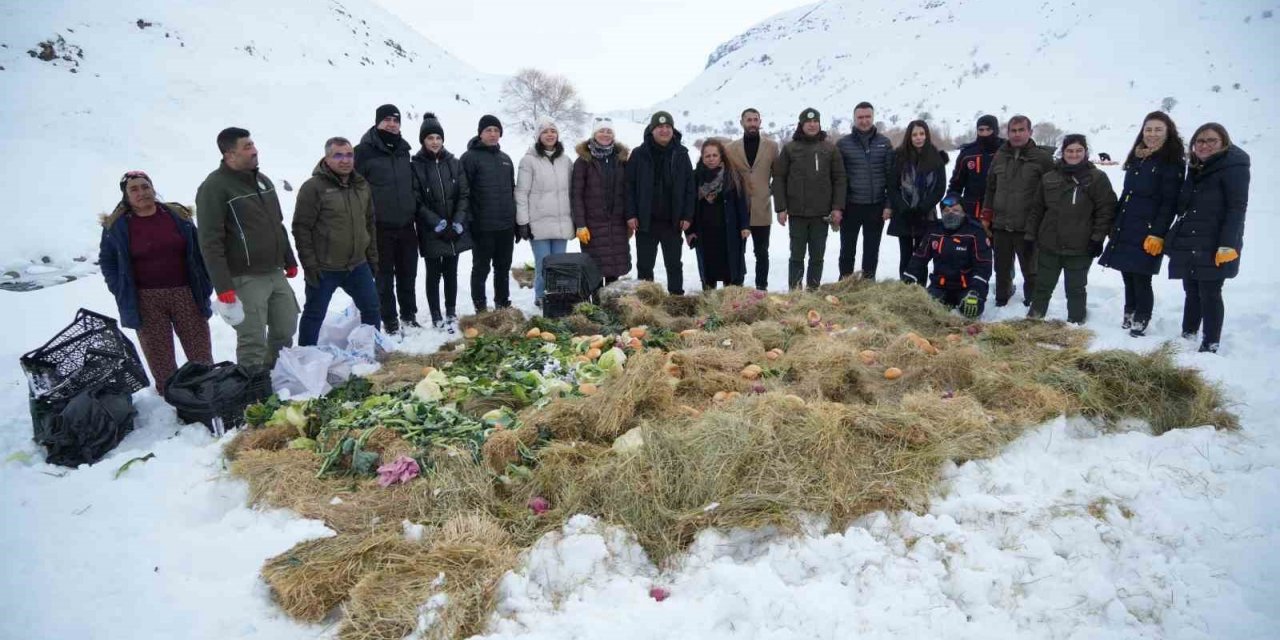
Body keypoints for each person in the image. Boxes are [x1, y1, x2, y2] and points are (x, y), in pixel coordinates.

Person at [100, 171, 213, 393]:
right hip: (144, 299)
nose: (141, 192)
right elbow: (108, 261)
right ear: (126, 195)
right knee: (160, 359)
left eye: (145, 187)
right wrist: (119, 288)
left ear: (153, 189)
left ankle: (207, 391)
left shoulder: (177, 216)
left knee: (200, 354)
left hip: (186, 293)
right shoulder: (117, 226)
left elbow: (199, 251)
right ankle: (173, 399)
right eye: (134, 189)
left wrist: (205, 281)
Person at [196, 127, 299, 369]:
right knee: (252, 339)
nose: (254, 151)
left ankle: (275, 374)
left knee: (286, 327)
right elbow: (210, 241)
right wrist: (223, 286)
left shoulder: (261, 180)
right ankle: (253, 391)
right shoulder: (214, 187)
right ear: (230, 154)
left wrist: (289, 258)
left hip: (274, 271)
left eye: (253, 145)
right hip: (245, 277)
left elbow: (277, 224)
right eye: (247, 147)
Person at [1098, 111, 1186, 336]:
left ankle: (1141, 318)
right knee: (1127, 273)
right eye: (1149, 129)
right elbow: (1126, 193)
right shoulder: (1138, 156)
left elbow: (1170, 203)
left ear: (1168, 132)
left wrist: (1158, 233)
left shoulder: (1172, 161)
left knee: (1141, 276)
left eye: (1158, 130)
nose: (1152, 134)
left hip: (1148, 229)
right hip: (1127, 224)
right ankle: (1129, 312)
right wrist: (1114, 222)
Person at [1165, 123, 1249, 353]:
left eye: (1211, 140)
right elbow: (1185, 204)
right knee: (1191, 287)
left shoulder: (1234, 166)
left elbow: (1237, 208)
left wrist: (1227, 244)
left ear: (1223, 142)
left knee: (1210, 292)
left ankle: (1210, 342)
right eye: (1200, 141)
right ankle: (1188, 333)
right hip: (1191, 236)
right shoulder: (1196, 167)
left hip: (1215, 240)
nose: (1205, 145)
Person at [292, 137, 380, 347]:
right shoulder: (313, 188)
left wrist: (372, 256)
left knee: (372, 308)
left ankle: (372, 350)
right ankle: (306, 358)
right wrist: (310, 264)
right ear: (327, 158)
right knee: (314, 315)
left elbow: (369, 222)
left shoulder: (360, 185)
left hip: (358, 265)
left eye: (349, 155)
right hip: (325, 268)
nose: (345, 160)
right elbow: (301, 228)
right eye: (338, 155)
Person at [1024, 134, 1117, 324]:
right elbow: (1037, 209)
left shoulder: (1097, 178)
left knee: (1075, 288)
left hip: (1080, 246)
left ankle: (1076, 322)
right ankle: (1034, 319)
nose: (1074, 154)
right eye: (1069, 151)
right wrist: (1030, 236)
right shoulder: (1049, 177)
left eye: (1078, 151)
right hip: (1049, 243)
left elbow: (1106, 210)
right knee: (1043, 285)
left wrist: (1097, 238)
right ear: (1063, 152)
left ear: (1085, 152)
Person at [355, 104, 419, 333]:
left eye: (396, 120)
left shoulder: (403, 150)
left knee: (408, 273)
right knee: (384, 278)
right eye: (387, 120)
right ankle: (390, 320)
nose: (392, 124)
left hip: (406, 225)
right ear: (378, 122)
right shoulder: (363, 151)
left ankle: (409, 315)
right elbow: (355, 189)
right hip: (379, 227)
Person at [982, 115, 1056, 307]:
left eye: (1021, 130)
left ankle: (1033, 302)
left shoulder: (1043, 159)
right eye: (1013, 131)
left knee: (1031, 269)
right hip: (1000, 224)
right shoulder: (1000, 156)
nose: (1017, 134)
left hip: (1028, 226)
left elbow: (1051, 193)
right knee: (1001, 267)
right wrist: (986, 215)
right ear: (1008, 133)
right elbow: (990, 187)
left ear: (1030, 132)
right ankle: (1001, 300)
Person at [410, 113, 472, 331]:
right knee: (434, 273)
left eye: (438, 137)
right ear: (423, 141)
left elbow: (464, 194)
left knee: (451, 272)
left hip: (454, 229)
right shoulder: (416, 165)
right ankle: (436, 313)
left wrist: (457, 222)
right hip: (431, 230)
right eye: (430, 138)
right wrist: (438, 224)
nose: (434, 141)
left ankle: (451, 310)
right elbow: (416, 200)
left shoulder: (453, 163)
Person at [773, 108, 846, 290]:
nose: (812, 125)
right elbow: (779, 178)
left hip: (821, 215)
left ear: (819, 124)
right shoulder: (790, 149)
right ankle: (795, 292)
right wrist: (781, 208)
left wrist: (837, 207)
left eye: (815, 122)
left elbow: (840, 179)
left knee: (817, 257)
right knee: (796, 257)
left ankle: (813, 292)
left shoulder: (830, 149)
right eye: (808, 122)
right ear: (801, 125)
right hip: (797, 213)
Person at [627, 111, 694, 295]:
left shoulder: (681, 154)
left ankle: (676, 298)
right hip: (645, 221)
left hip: (672, 221)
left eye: (668, 127)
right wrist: (631, 214)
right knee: (645, 265)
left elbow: (690, 187)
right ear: (652, 129)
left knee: (674, 264)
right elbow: (629, 186)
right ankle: (646, 301)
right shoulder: (639, 154)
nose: (664, 130)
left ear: (672, 130)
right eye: (660, 127)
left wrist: (687, 215)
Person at [516, 117, 576, 307]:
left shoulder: (566, 161)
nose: (550, 135)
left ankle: (557, 295)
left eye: (553, 131)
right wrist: (523, 222)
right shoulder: (529, 160)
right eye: (545, 131)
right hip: (538, 223)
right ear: (538, 136)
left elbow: (573, 192)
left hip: (561, 222)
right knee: (543, 263)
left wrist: (575, 219)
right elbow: (521, 193)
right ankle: (541, 296)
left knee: (559, 264)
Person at [462, 114, 517, 311]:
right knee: (481, 269)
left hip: (505, 226)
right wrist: (469, 222)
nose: (493, 134)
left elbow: (512, 191)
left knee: (502, 269)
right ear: (480, 133)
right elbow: (463, 193)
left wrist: (516, 223)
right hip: (482, 226)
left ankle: (502, 303)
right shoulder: (469, 158)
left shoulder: (506, 160)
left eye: (496, 130)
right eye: (488, 130)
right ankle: (480, 307)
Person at [904, 195, 993, 318]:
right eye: (946, 211)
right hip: (940, 286)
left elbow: (984, 266)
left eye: (956, 210)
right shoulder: (934, 230)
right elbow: (920, 257)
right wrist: (907, 278)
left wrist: (976, 291)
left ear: (963, 212)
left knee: (971, 308)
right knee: (923, 309)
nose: (951, 214)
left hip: (967, 288)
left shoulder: (975, 232)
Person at [835, 101, 894, 280]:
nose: (864, 121)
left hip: (876, 206)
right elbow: (838, 177)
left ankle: (868, 284)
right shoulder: (843, 144)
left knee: (871, 250)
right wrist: (837, 206)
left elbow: (891, 177)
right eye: (860, 117)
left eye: (868, 117)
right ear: (854, 118)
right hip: (851, 205)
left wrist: (888, 205)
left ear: (873, 117)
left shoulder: (884, 143)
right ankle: (845, 282)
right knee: (847, 249)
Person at [886, 120, 949, 282]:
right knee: (905, 254)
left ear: (927, 135)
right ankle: (905, 288)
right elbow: (892, 186)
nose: (918, 138)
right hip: (904, 213)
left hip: (925, 214)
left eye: (922, 134)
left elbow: (940, 188)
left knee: (922, 254)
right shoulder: (899, 156)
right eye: (914, 134)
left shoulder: (936, 158)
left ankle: (920, 289)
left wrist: (923, 207)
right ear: (909, 137)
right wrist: (903, 207)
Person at [571, 118, 631, 285]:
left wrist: (629, 218)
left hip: (617, 224)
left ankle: (611, 302)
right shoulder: (583, 162)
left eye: (609, 131)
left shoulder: (621, 160)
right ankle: (596, 305)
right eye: (601, 131)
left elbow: (628, 191)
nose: (605, 134)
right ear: (594, 134)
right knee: (595, 269)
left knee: (614, 268)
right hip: (592, 225)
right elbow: (576, 195)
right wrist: (580, 224)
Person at [726, 108, 779, 290]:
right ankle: (736, 286)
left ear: (760, 122)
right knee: (737, 252)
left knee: (762, 252)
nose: (752, 123)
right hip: (738, 210)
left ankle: (761, 288)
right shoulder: (730, 149)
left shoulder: (772, 147)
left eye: (755, 120)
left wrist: (768, 191)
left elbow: (778, 176)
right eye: (748, 120)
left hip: (762, 208)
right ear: (742, 123)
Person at [688, 138, 750, 290]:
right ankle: (710, 303)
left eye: (714, 155)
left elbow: (741, 203)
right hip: (705, 233)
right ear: (702, 157)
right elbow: (689, 205)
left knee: (731, 270)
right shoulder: (695, 177)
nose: (711, 159)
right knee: (708, 272)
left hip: (729, 231)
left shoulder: (732, 175)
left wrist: (744, 226)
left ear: (721, 156)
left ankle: (731, 304)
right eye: (707, 156)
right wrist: (690, 231)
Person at [948, 115, 1004, 220]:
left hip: (1000, 211)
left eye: (988, 130)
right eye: (981, 130)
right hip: (973, 211)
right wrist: (950, 203)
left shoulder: (1006, 150)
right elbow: (956, 184)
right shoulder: (968, 153)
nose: (985, 133)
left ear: (996, 130)